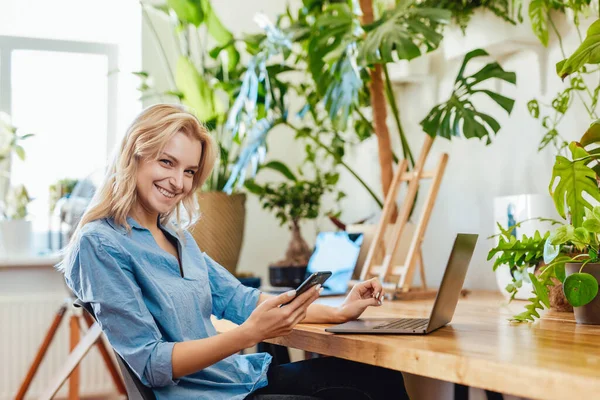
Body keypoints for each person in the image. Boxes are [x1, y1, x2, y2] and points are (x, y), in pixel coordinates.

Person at [60, 104, 409, 400]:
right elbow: (151, 364)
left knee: (378, 377)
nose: (179, 182)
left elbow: (243, 301)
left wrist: (340, 313)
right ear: (134, 156)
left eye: (189, 171)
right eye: (166, 162)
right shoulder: (100, 243)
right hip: (205, 396)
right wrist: (248, 334)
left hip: (235, 382)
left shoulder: (177, 238)